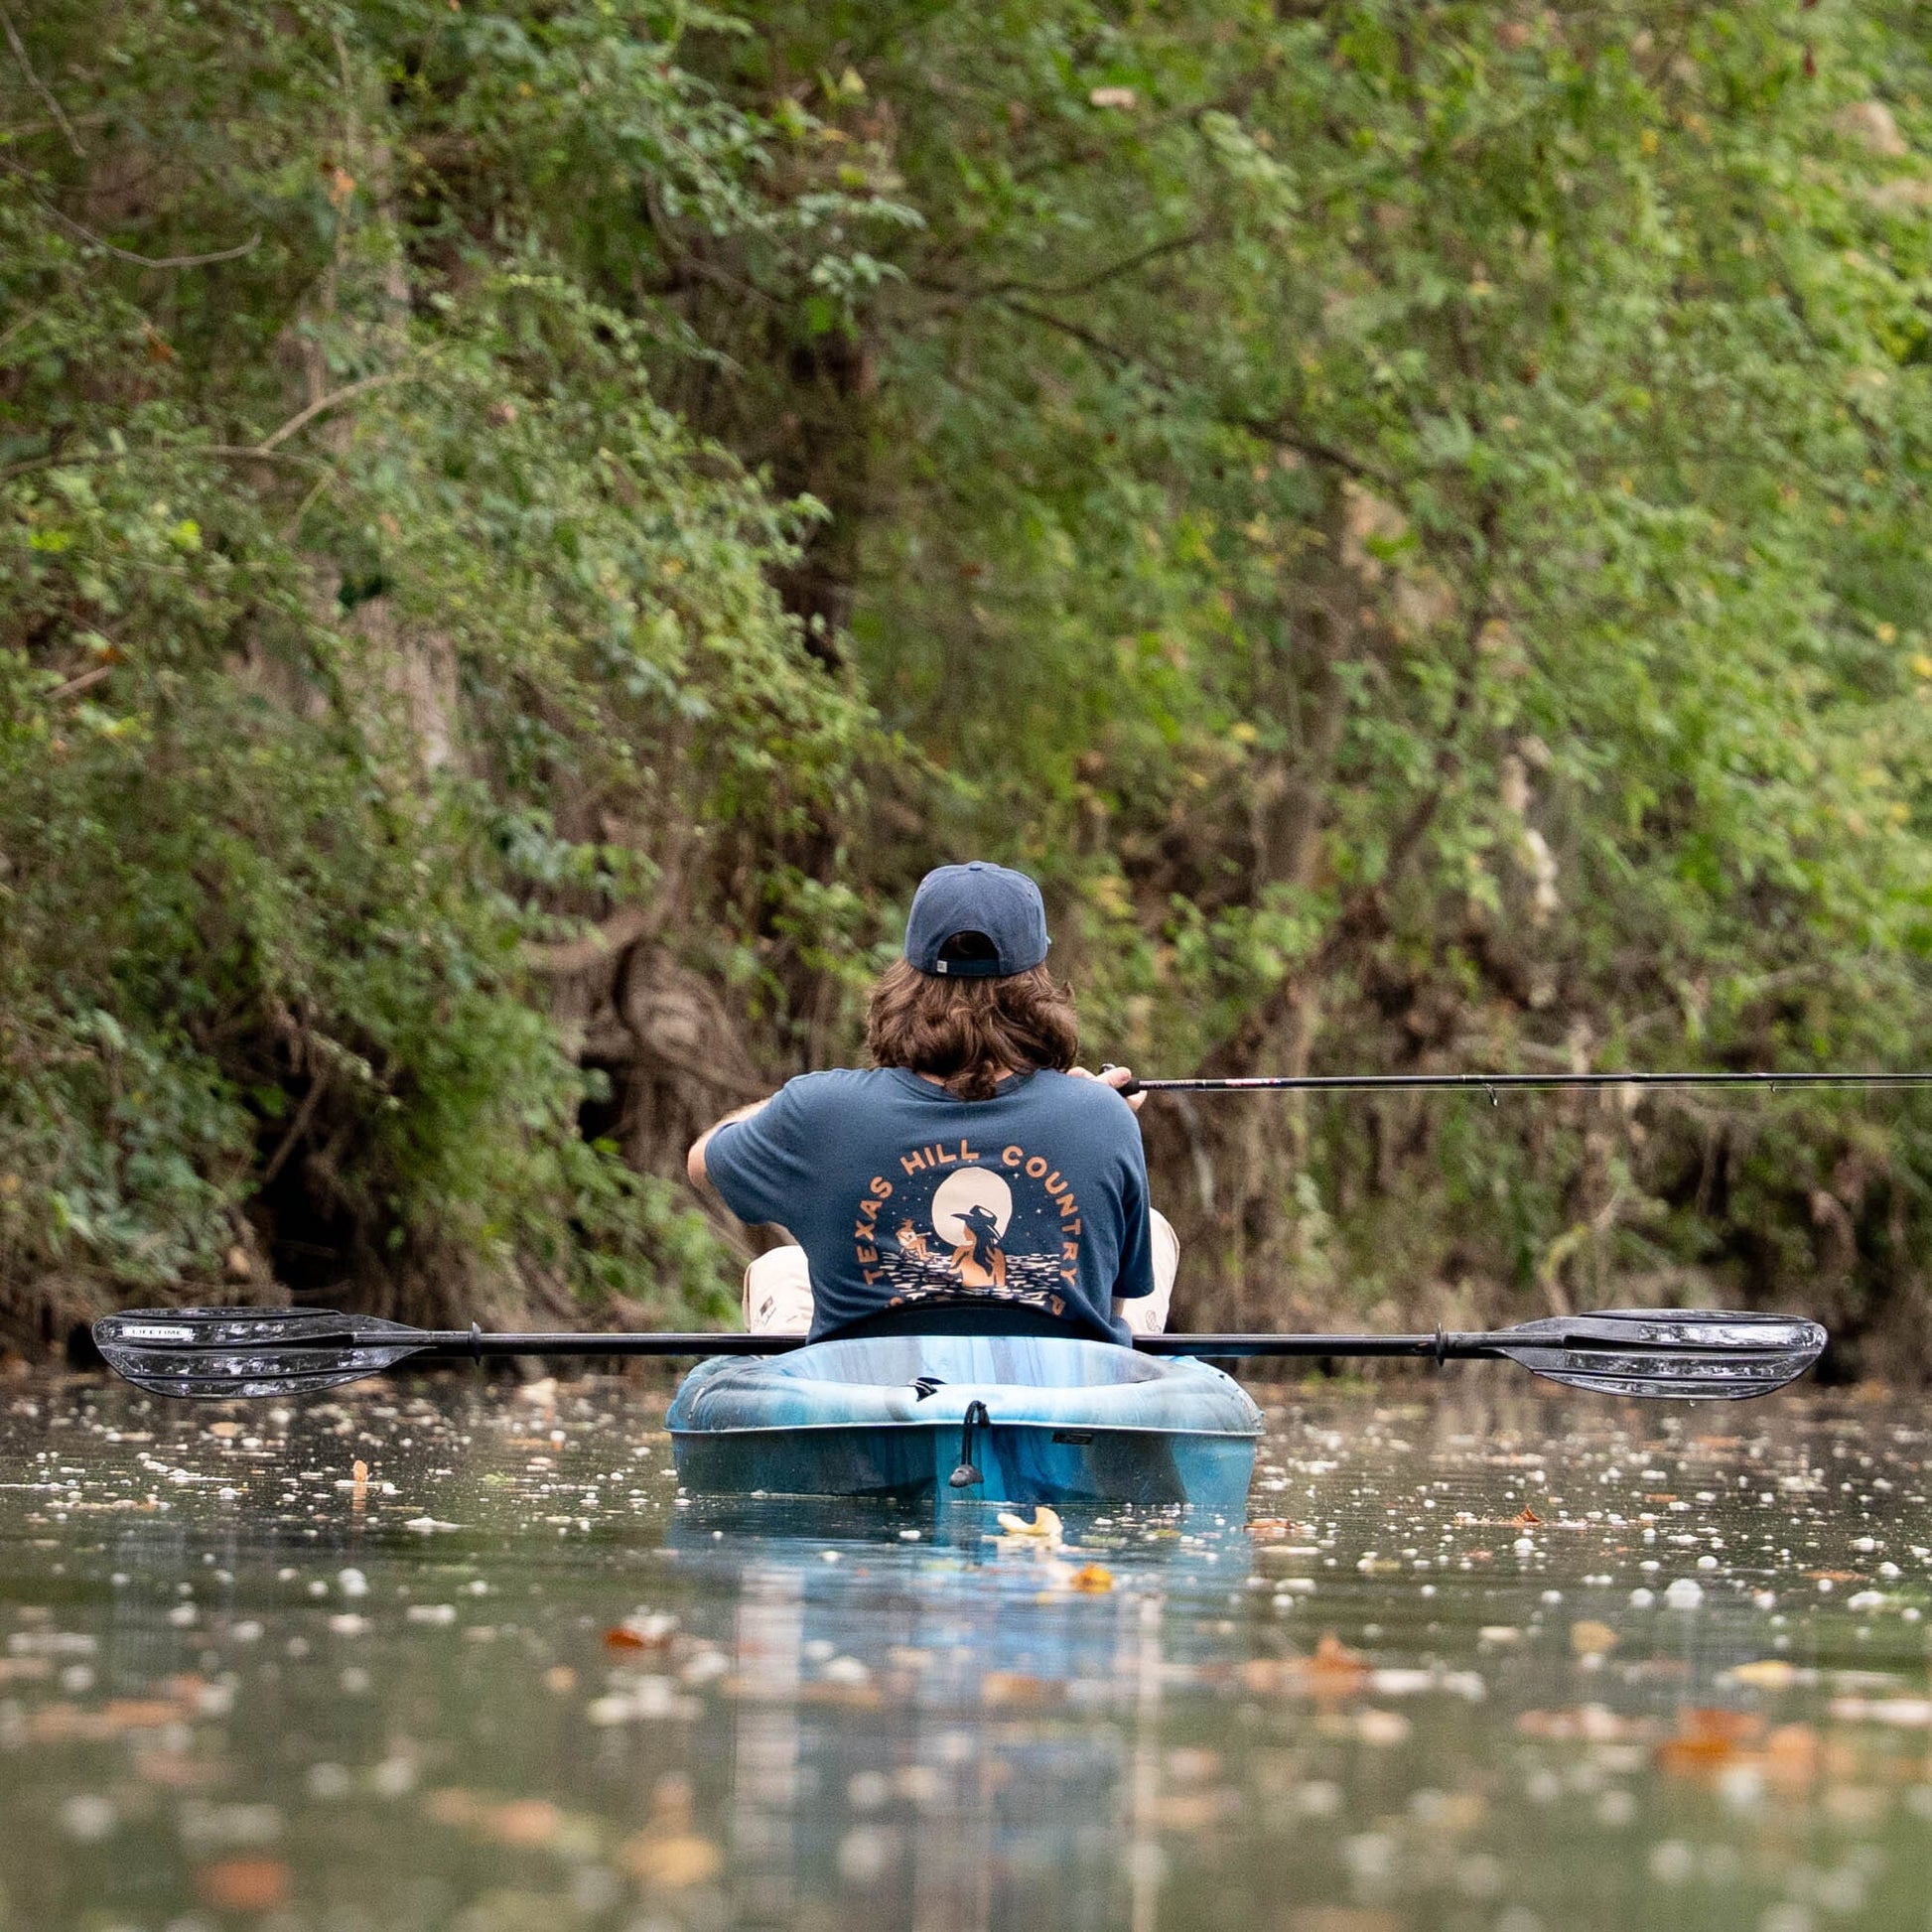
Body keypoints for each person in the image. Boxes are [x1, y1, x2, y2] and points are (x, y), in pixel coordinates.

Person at [686, 861, 1177, 1340]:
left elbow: (702, 1163)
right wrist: (1083, 1105)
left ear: (907, 980)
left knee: (782, 1268)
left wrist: (794, 1112)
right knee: (1151, 1232)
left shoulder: (818, 1111)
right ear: (1038, 988)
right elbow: (1110, 1301)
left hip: (867, 1395)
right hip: (1058, 1393)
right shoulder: (1103, 1117)